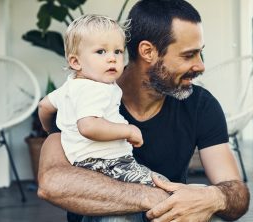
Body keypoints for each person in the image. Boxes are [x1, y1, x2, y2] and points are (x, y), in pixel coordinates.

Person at [35, 1, 249, 221]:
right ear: (148, 51)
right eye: (188, 55)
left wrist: (213, 197)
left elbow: (237, 194)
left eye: (200, 54)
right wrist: (155, 198)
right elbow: (53, 183)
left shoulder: (200, 105)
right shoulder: (83, 95)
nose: (201, 66)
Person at [37, 14, 165, 221]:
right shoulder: (96, 89)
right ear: (75, 61)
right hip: (110, 163)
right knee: (164, 192)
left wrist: (51, 131)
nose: (112, 58)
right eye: (101, 51)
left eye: (117, 51)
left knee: (102, 208)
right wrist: (129, 130)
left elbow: (44, 106)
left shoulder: (70, 86)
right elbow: (88, 126)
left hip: (83, 166)